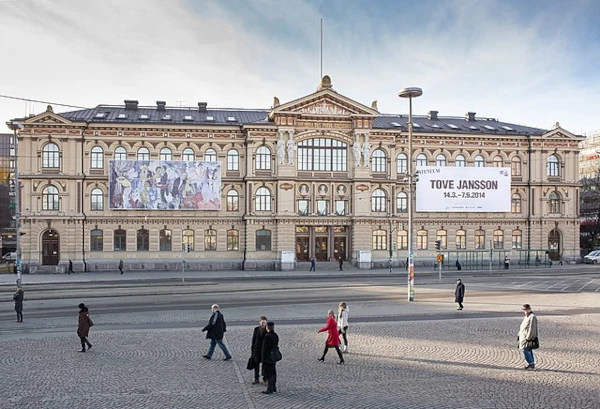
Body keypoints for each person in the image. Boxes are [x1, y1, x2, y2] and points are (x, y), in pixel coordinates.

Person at [518, 303, 538, 370]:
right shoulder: (527, 316)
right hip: (523, 336)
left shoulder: (532, 317)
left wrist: (528, 337)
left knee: (525, 349)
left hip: (527, 337)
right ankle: (531, 363)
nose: (524, 311)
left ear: (529, 309)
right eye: (523, 310)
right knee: (527, 349)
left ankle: (531, 363)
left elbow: (532, 328)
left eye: (525, 310)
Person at [261, 321, 279, 394]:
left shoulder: (267, 336)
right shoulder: (275, 335)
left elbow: (264, 349)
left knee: (269, 373)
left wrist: (263, 359)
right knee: (273, 372)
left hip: (268, 357)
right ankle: (274, 387)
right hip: (273, 356)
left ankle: (270, 388)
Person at [251, 316, 268, 384]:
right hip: (257, 350)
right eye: (262, 322)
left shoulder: (268, 330)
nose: (263, 323)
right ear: (259, 322)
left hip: (264, 350)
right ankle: (256, 378)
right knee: (256, 364)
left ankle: (265, 378)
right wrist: (252, 350)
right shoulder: (256, 329)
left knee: (265, 365)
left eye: (264, 322)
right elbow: (253, 340)